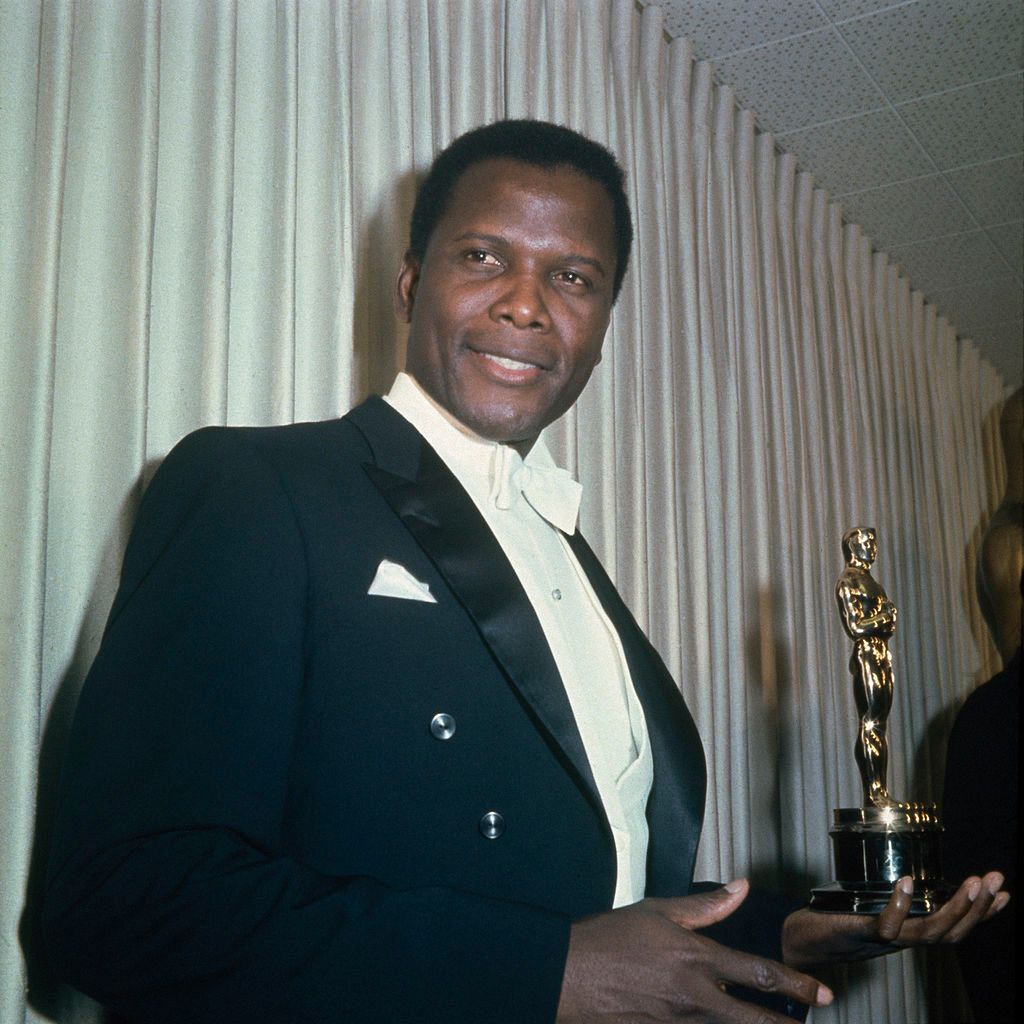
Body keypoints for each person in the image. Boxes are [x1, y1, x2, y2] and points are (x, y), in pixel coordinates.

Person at [42, 120, 1007, 1024]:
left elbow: (595, 901)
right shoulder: (256, 488)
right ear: (411, 284)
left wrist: (781, 935)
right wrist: (537, 971)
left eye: (574, 276)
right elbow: (120, 903)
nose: (525, 302)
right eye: (483, 256)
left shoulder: (573, 561)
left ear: (602, 328)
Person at [835, 527, 898, 808]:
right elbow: (856, 626)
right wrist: (884, 615)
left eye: (874, 542)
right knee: (871, 721)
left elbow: (890, 625)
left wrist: (885, 619)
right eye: (867, 542)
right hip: (867, 653)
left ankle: (880, 790)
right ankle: (873, 793)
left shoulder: (873, 583)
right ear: (853, 546)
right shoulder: (849, 581)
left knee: (880, 723)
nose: (873, 547)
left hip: (882, 652)